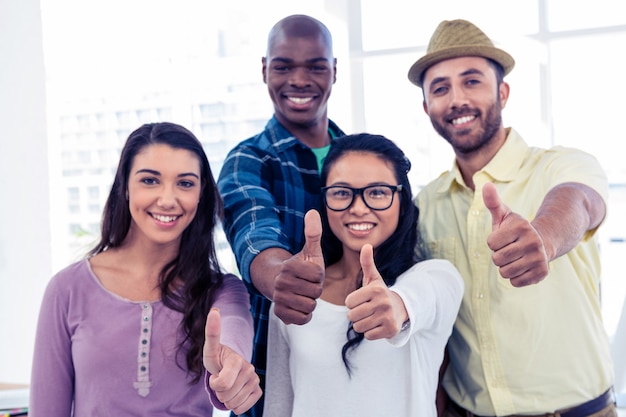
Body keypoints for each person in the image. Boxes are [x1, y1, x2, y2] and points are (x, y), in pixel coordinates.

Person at [407, 19, 616, 417]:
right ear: (427, 107)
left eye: (472, 81)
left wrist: (545, 238)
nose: (456, 100)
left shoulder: (563, 165)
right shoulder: (425, 204)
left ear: (502, 92)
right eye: (440, 88)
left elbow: (578, 202)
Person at [29, 122, 262, 416]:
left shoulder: (223, 291)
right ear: (125, 186)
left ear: (201, 194)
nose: (167, 200)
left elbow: (232, 335)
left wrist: (231, 369)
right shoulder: (66, 290)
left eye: (186, 183)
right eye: (150, 180)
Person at [263, 133, 463, 417]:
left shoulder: (436, 277)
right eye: (342, 192)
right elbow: (279, 405)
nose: (358, 208)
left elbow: (420, 297)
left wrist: (396, 306)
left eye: (378, 192)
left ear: (402, 200)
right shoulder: (296, 294)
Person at [216, 14, 344, 416]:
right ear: (264, 70)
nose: (299, 80)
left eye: (316, 66)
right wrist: (280, 276)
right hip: (274, 385)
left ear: (334, 71)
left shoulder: (364, 160)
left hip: (355, 378)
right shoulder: (247, 160)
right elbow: (253, 235)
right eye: (284, 66)